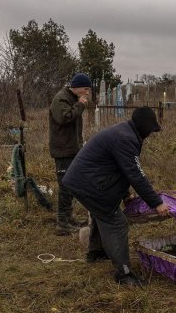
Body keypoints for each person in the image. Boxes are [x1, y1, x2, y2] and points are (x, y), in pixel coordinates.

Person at [63, 106, 169, 287]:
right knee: (115, 220)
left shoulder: (125, 132)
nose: (151, 134)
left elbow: (119, 169)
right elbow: (135, 174)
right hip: (88, 184)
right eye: (151, 130)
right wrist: (157, 203)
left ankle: (96, 253)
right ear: (144, 126)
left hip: (83, 181)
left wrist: (126, 194)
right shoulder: (125, 139)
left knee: (101, 213)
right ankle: (124, 273)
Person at [49, 73, 90, 235]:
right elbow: (64, 118)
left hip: (72, 148)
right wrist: (80, 105)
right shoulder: (61, 98)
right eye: (85, 89)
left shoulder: (70, 97)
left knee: (71, 185)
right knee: (65, 186)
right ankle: (62, 223)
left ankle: (68, 218)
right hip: (63, 150)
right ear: (77, 87)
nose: (86, 92)